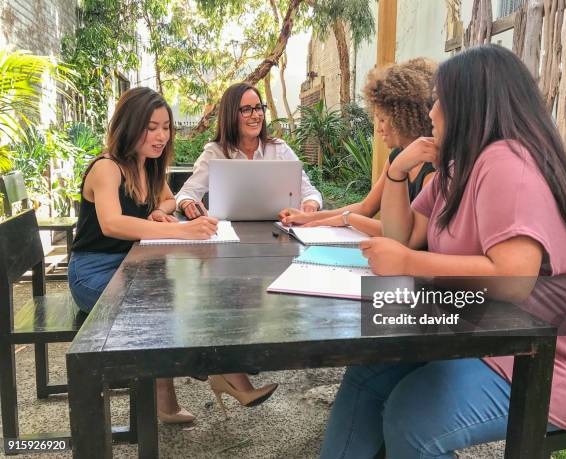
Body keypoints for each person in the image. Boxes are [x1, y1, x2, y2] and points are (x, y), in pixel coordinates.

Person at [321, 45, 566, 458]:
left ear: (470, 104)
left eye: (439, 99)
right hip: (496, 336)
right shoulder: (459, 167)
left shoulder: (508, 160)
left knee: (413, 417)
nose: (432, 111)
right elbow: (403, 234)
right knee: (368, 374)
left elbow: (513, 277)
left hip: (552, 363)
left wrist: (408, 263)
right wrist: (398, 171)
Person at [68, 87, 276, 425]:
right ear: (129, 125)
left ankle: (196, 386)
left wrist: (158, 212)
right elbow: (112, 223)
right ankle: (217, 374)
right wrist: (180, 230)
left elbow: (169, 199)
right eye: (151, 127)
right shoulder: (107, 167)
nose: (161, 135)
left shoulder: (147, 166)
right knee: (161, 309)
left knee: (186, 296)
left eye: (166, 127)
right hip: (93, 272)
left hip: (133, 263)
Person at [278, 58, 436, 236]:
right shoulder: (397, 157)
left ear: (404, 118)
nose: (378, 128)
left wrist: (347, 218)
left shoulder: (431, 168)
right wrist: (309, 218)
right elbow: (366, 207)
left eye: (382, 120)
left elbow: (408, 236)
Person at [176, 82, 322, 218]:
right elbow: (187, 193)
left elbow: (310, 193)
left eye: (258, 108)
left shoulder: (279, 149)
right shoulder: (214, 153)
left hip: (279, 233)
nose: (256, 115)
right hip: (228, 235)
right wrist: (187, 203)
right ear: (231, 115)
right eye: (246, 110)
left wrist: (310, 204)